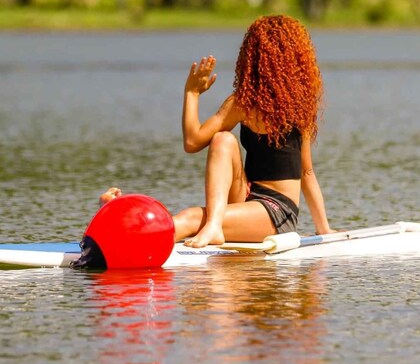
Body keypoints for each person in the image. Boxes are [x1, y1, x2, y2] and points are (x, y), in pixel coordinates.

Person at [100, 14, 334, 248]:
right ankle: (122, 220)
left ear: (251, 59)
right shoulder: (241, 104)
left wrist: (323, 229)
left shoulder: (300, 108)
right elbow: (193, 142)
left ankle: (121, 229)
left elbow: (306, 172)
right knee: (223, 139)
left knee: (192, 218)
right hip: (245, 197)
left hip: (277, 212)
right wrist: (192, 94)